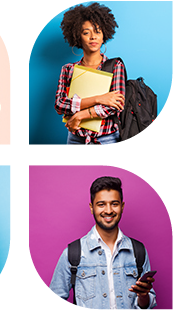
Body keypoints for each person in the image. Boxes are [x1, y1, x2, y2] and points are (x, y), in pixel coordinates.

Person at [49, 176, 157, 309]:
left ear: (122, 206)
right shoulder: (72, 253)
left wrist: (144, 295)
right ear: (91, 207)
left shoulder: (138, 251)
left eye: (114, 204)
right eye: (101, 204)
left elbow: (147, 305)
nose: (108, 210)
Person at [54, 2, 125, 145]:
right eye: (86, 32)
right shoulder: (68, 69)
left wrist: (80, 115)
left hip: (107, 139)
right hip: (75, 139)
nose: (93, 37)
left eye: (97, 31)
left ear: (104, 35)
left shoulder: (115, 66)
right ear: (77, 37)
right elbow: (60, 104)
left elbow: (114, 105)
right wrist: (99, 98)